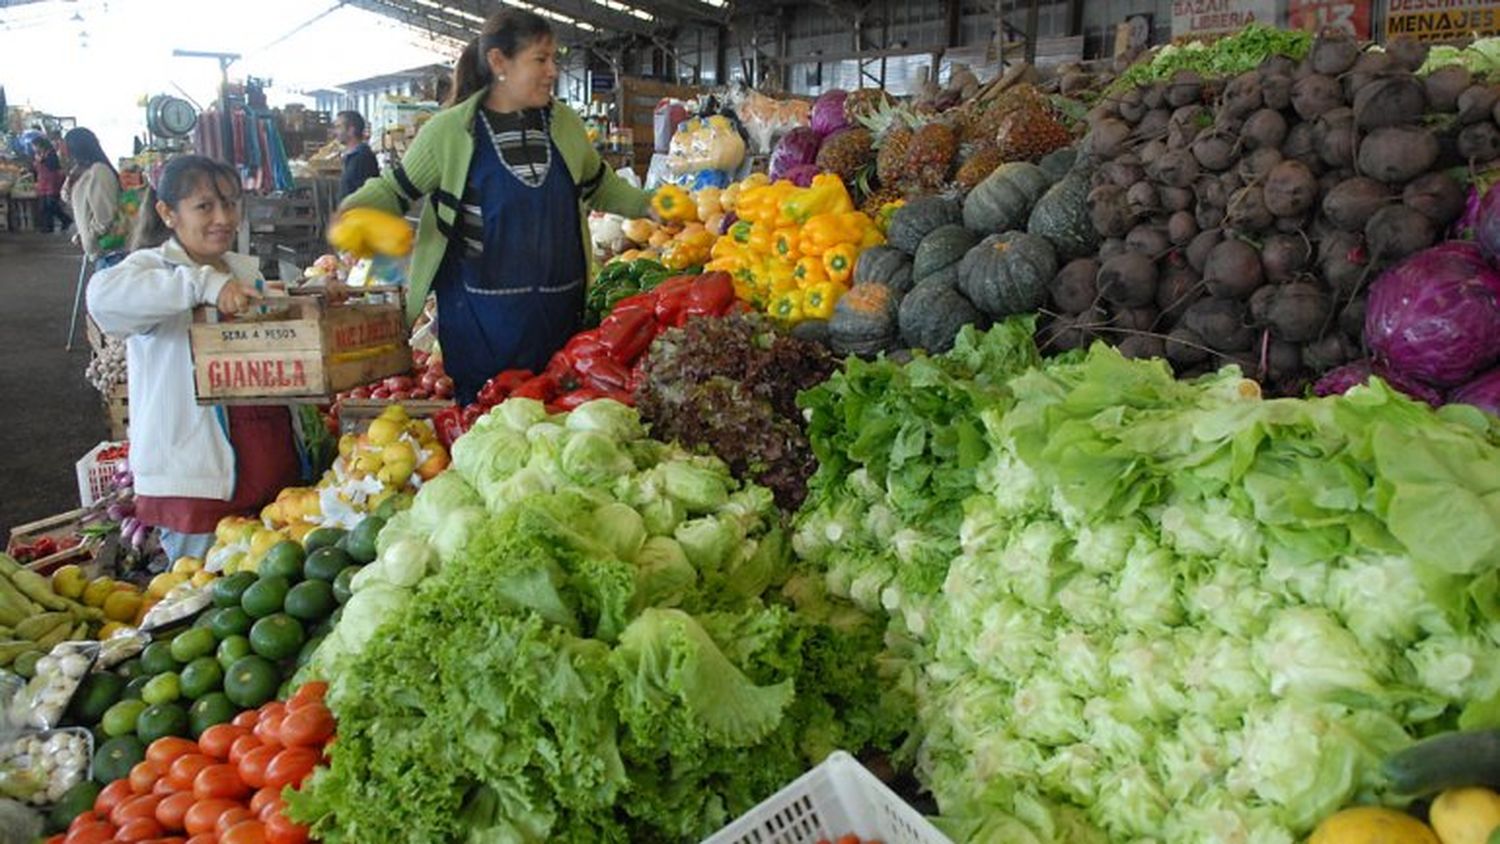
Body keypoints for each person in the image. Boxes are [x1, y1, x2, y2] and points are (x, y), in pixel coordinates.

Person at [340, 8, 653, 405]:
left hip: (560, 319)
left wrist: (649, 206)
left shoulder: (566, 126)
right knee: (488, 426)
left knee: (559, 426)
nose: (553, 70)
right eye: (540, 59)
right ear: (499, 62)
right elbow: (394, 189)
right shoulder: (451, 132)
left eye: (553, 58)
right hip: (479, 324)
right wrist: (355, 210)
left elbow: (600, 185)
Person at [87, 155, 301, 562]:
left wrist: (313, 298)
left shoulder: (243, 273)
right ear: (167, 213)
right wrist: (204, 285)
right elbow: (102, 300)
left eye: (231, 203)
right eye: (205, 206)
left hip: (267, 464)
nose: (223, 217)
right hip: (195, 482)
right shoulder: (152, 271)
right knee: (205, 598)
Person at [61, 127, 130, 269]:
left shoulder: (99, 172)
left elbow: (105, 216)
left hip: (110, 253)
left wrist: (90, 237)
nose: (61, 151)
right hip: (100, 252)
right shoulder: (80, 170)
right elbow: (67, 197)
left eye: (64, 146)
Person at [336, 110, 381, 200]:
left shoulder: (362, 157)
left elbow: (364, 194)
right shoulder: (352, 156)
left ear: (351, 130)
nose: (335, 132)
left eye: (339, 127)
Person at [31, 137, 71, 234]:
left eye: (34, 146)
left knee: (51, 204)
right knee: (44, 206)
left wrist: (42, 160)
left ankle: (66, 220)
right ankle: (48, 227)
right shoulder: (38, 154)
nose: (33, 148)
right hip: (43, 182)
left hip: (52, 183)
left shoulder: (51, 154)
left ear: (40, 145)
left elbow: (54, 166)